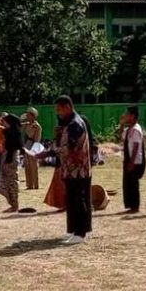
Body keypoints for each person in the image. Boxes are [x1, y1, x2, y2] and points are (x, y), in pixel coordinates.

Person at [54, 95, 92, 244]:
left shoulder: (75, 124)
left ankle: (80, 233)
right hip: (70, 170)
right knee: (72, 200)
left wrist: (50, 152)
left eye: (59, 110)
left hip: (78, 170)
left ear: (68, 107)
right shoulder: (68, 123)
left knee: (78, 200)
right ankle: (75, 230)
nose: (58, 113)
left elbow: (69, 147)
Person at [119, 105, 145, 213]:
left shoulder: (136, 130)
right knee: (128, 183)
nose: (125, 116)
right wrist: (121, 124)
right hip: (128, 159)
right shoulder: (129, 129)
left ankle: (135, 206)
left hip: (134, 161)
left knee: (133, 184)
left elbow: (135, 147)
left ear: (133, 116)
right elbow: (121, 136)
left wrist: (132, 162)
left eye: (127, 114)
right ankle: (130, 205)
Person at [0, 114, 23, 212]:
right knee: (6, 180)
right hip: (8, 157)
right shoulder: (9, 132)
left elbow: (14, 147)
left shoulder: (13, 133)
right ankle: (12, 203)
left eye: (4, 121)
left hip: (11, 158)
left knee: (12, 181)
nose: (3, 123)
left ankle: (14, 204)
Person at [22, 108, 43, 190]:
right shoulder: (26, 124)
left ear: (33, 116)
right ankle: (29, 184)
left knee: (34, 166)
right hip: (27, 144)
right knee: (27, 165)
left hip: (34, 145)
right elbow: (19, 124)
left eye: (29, 115)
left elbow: (37, 138)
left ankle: (35, 184)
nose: (27, 116)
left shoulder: (37, 126)